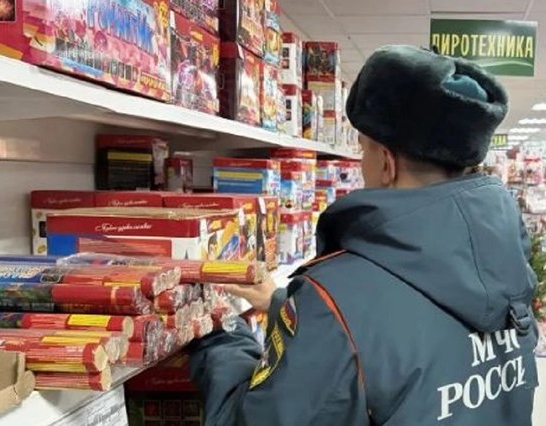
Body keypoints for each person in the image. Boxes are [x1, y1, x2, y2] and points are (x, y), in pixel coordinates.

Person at [189, 45, 539, 425]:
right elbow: (414, 339)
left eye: (362, 150)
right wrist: (284, 306)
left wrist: (220, 333)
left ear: (387, 163)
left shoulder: (336, 294)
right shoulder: (507, 268)